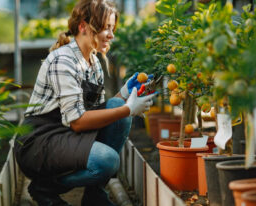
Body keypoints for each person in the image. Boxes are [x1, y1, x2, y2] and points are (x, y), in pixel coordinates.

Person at [14, 0, 157, 205]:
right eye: (105, 27)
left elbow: (100, 112)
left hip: (67, 134)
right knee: (107, 160)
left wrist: (126, 93)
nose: (111, 34)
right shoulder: (63, 61)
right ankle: (44, 188)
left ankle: (94, 196)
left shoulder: (93, 61)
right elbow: (78, 122)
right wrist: (128, 109)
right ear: (83, 26)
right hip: (41, 141)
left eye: (112, 27)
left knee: (118, 111)